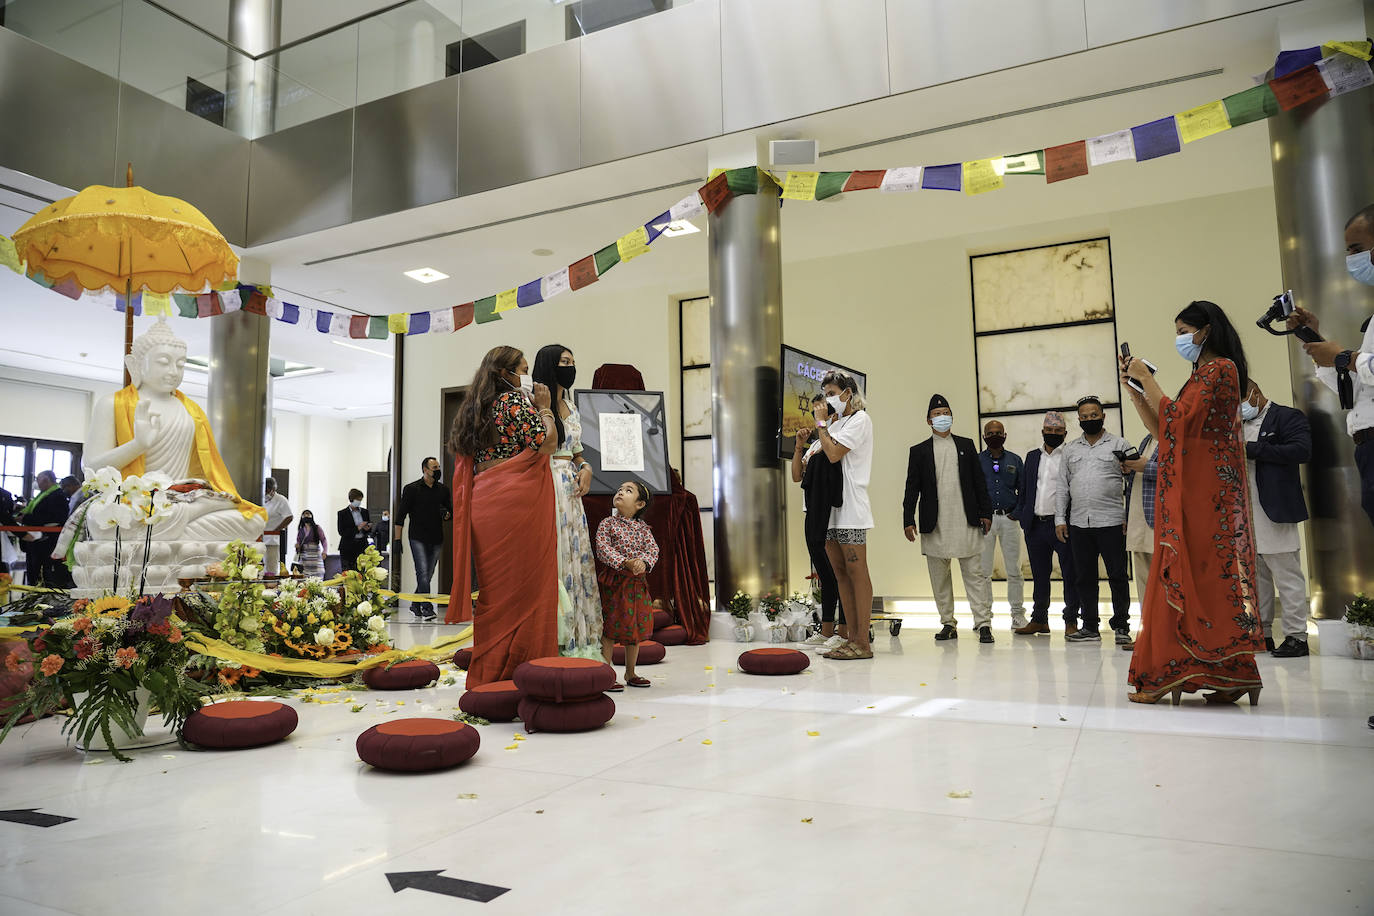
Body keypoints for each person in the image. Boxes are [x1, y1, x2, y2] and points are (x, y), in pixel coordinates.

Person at [1123, 300, 1265, 704]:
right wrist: (1137, 394)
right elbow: (1168, 429)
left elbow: (1179, 420)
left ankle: (1181, 673)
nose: (1180, 338)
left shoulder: (1222, 368)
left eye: (1184, 330)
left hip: (1205, 490)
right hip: (1191, 485)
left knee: (1201, 577)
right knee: (1196, 579)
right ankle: (1226, 674)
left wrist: (1147, 378)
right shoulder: (1199, 374)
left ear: (1206, 330)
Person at [447, 346, 559, 687]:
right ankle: (521, 672)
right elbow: (546, 444)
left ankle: (490, 671)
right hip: (516, 499)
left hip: (485, 498)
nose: (528, 377)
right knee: (525, 588)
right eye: (523, 370)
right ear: (504, 374)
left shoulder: (473, 408)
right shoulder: (513, 403)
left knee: (496, 591)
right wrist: (547, 410)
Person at [1287, 203, 1374, 528]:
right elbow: (1358, 386)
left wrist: (1343, 357)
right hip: (1366, 446)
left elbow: (1358, 366)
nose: (1351, 259)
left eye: (1357, 249)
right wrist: (1314, 339)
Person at [531, 344, 603, 658]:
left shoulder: (572, 409)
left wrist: (586, 467)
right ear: (549, 364)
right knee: (555, 556)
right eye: (564, 361)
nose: (570, 367)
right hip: (544, 483)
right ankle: (552, 641)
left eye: (573, 361)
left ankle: (579, 638)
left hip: (570, 488)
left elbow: (576, 452)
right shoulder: (533, 404)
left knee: (574, 557)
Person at [904, 395, 994, 642]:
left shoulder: (966, 445)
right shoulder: (919, 451)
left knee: (974, 575)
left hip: (966, 519)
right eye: (937, 413)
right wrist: (907, 519)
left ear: (951, 416)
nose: (942, 417)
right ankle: (948, 623)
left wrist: (986, 513)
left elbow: (979, 482)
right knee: (939, 577)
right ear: (928, 420)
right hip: (935, 522)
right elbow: (912, 488)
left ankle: (983, 623)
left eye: (946, 412)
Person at [1242, 381, 1313, 658]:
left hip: (1276, 509)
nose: (1239, 410)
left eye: (1241, 402)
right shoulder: (1235, 423)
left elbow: (1300, 451)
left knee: (1287, 575)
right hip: (1245, 512)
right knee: (1255, 578)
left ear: (1255, 394)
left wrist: (1253, 449)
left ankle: (1297, 636)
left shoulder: (1286, 416)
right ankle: (1262, 633)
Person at [1055, 396, 1133, 644]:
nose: (1090, 419)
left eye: (1094, 415)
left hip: (1112, 522)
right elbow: (1062, 487)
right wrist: (1060, 519)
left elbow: (1133, 482)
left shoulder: (1120, 444)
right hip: (1079, 523)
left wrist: (1129, 516)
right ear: (1079, 419)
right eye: (1085, 416)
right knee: (1084, 577)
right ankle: (1089, 626)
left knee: (1118, 576)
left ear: (1103, 416)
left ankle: (1121, 626)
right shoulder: (1070, 449)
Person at [812, 371, 875, 660]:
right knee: (839, 574)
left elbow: (834, 454)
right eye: (825, 393)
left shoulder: (860, 419)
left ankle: (863, 641)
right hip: (830, 508)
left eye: (832, 392)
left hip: (851, 507)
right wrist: (825, 427)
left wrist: (821, 424)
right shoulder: (836, 425)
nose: (828, 399)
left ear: (848, 393)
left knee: (856, 571)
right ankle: (849, 637)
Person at [1013, 412, 1081, 636]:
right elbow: (1025, 488)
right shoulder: (1032, 456)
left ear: (1065, 434)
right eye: (1049, 431)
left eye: (1058, 432)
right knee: (1039, 575)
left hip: (1063, 525)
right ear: (1043, 432)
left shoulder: (1071, 455)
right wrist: (1024, 516)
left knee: (1070, 574)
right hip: (1035, 525)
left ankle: (1071, 621)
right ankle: (1039, 619)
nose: (1053, 435)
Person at [793, 394, 846, 649]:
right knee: (825, 574)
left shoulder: (836, 434)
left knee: (838, 573)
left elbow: (835, 459)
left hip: (831, 513)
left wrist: (822, 425)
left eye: (820, 409)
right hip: (811, 511)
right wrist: (799, 446)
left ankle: (844, 631)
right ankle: (826, 631)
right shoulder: (815, 444)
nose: (816, 414)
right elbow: (796, 476)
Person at [597, 481, 660, 689]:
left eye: (628, 490)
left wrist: (643, 562)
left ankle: (631, 673)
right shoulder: (608, 523)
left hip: (636, 584)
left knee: (634, 629)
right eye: (619, 489)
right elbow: (603, 548)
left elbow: (653, 550)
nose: (620, 492)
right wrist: (625, 562)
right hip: (615, 583)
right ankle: (606, 674)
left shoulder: (644, 529)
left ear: (640, 504)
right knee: (610, 628)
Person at [978, 420, 1026, 630]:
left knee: (1014, 570)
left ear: (1004, 435)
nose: (994, 435)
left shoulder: (1015, 460)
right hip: (985, 522)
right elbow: (971, 491)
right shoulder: (977, 461)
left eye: (998, 432)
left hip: (1009, 519)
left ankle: (1017, 615)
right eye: (990, 433)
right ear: (984, 436)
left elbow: (1024, 491)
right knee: (983, 571)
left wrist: (1016, 514)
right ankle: (984, 617)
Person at [395, 457, 452, 619]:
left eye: (438, 466)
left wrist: (446, 514)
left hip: (436, 537)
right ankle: (427, 607)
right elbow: (400, 516)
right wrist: (397, 540)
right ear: (425, 470)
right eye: (434, 467)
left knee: (428, 573)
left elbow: (450, 513)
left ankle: (415, 603)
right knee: (422, 572)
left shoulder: (443, 490)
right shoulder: (411, 489)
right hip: (417, 537)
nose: (437, 469)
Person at [1122, 432, 1159, 641]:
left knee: (1163, 582)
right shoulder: (1146, 438)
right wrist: (1129, 470)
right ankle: (1147, 634)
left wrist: (1147, 467)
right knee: (1143, 581)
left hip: (1160, 521)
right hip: (1138, 518)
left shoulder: (1174, 437)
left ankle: (1165, 634)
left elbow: (1181, 472)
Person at [18, 470, 69, 587]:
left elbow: (51, 517)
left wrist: (26, 518)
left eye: (38, 480)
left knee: (44, 572)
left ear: (46, 480)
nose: (37, 483)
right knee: (34, 570)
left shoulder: (58, 496)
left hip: (47, 541)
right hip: (37, 540)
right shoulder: (43, 495)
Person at [262, 477, 294, 577]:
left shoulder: (281, 500)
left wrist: (277, 529)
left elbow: (289, 517)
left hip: (273, 540)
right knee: (260, 568)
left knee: (271, 568)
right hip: (260, 538)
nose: (266, 493)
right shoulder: (262, 499)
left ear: (273, 490)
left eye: (268, 491)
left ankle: (270, 588)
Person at [336, 489, 372, 572]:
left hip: (362, 545)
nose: (359, 502)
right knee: (348, 572)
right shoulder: (342, 513)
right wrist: (358, 528)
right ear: (352, 499)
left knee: (362, 571)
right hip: (348, 546)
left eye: (360, 500)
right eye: (358, 500)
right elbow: (341, 531)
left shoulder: (365, 512)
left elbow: (368, 529)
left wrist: (367, 528)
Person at [294, 510, 328, 578]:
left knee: (317, 576)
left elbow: (324, 540)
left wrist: (325, 551)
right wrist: (297, 546)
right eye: (304, 515)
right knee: (304, 577)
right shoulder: (301, 530)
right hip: (305, 557)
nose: (306, 516)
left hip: (315, 556)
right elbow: (298, 543)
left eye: (308, 514)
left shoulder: (317, 528)